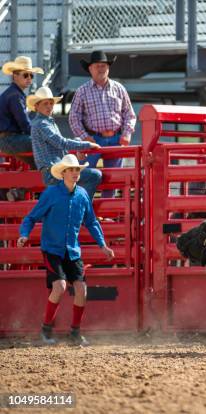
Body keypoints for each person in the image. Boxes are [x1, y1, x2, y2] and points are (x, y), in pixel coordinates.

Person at [17, 153, 115, 345]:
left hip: (72, 250)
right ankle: (46, 330)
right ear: (63, 173)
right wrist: (24, 234)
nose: (75, 173)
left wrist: (102, 244)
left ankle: (75, 333)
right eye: (71, 170)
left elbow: (91, 222)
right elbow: (31, 217)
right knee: (60, 286)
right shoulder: (51, 194)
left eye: (77, 169)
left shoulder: (82, 195)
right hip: (52, 249)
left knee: (81, 290)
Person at [68, 51, 136, 198]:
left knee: (113, 178)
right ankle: (84, 209)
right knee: (85, 175)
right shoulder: (82, 91)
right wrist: (85, 137)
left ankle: (108, 214)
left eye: (104, 65)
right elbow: (73, 117)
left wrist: (127, 133)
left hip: (116, 138)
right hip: (93, 140)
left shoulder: (119, 88)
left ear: (108, 68)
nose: (101, 69)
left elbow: (129, 114)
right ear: (90, 69)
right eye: (97, 66)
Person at [29, 87, 102, 200]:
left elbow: (59, 145)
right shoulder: (42, 124)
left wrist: (78, 146)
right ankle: (81, 208)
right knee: (94, 175)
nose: (49, 106)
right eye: (45, 104)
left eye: (51, 103)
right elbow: (61, 142)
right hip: (54, 172)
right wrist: (87, 145)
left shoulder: (44, 122)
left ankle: (78, 207)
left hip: (54, 172)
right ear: (36, 106)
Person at [0, 56, 41, 201]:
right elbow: (25, 124)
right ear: (15, 75)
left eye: (31, 75)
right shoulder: (15, 96)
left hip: (9, 140)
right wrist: (42, 135)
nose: (29, 78)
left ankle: (17, 191)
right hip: (11, 140)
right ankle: (19, 191)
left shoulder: (12, 93)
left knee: (40, 164)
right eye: (25, 75)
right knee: (45, 155)